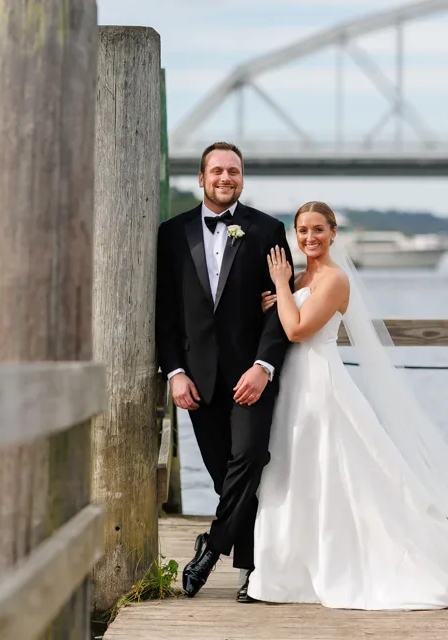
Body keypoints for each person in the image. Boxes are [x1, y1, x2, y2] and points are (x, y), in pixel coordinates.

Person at [248, 200, 448, 609]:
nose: (309, 237)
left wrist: (281, 287)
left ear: (334, 233)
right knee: (295, 469)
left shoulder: (334, 279)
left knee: (334, 469)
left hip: (320, 384)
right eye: (302, 230)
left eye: (318, 229)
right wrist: (277, 298)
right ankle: (293, 569)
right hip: (291, 385)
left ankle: (345, 562)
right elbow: (282, 323)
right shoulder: (302, 278)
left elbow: (298, 330)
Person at [154, 141, 294, 602]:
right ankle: (250, 572)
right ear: (201, 178)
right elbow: (165, 312)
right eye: (216, 170)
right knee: (226, 477)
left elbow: (282, 308)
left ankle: (212, 549)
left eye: (233, 171)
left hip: (251, 375)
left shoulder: (267, 230)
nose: (225, 178)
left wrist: (264, 366)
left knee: (250, 458)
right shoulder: (171, 234)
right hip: (197, 379)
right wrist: (174, 371)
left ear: (241, 178)